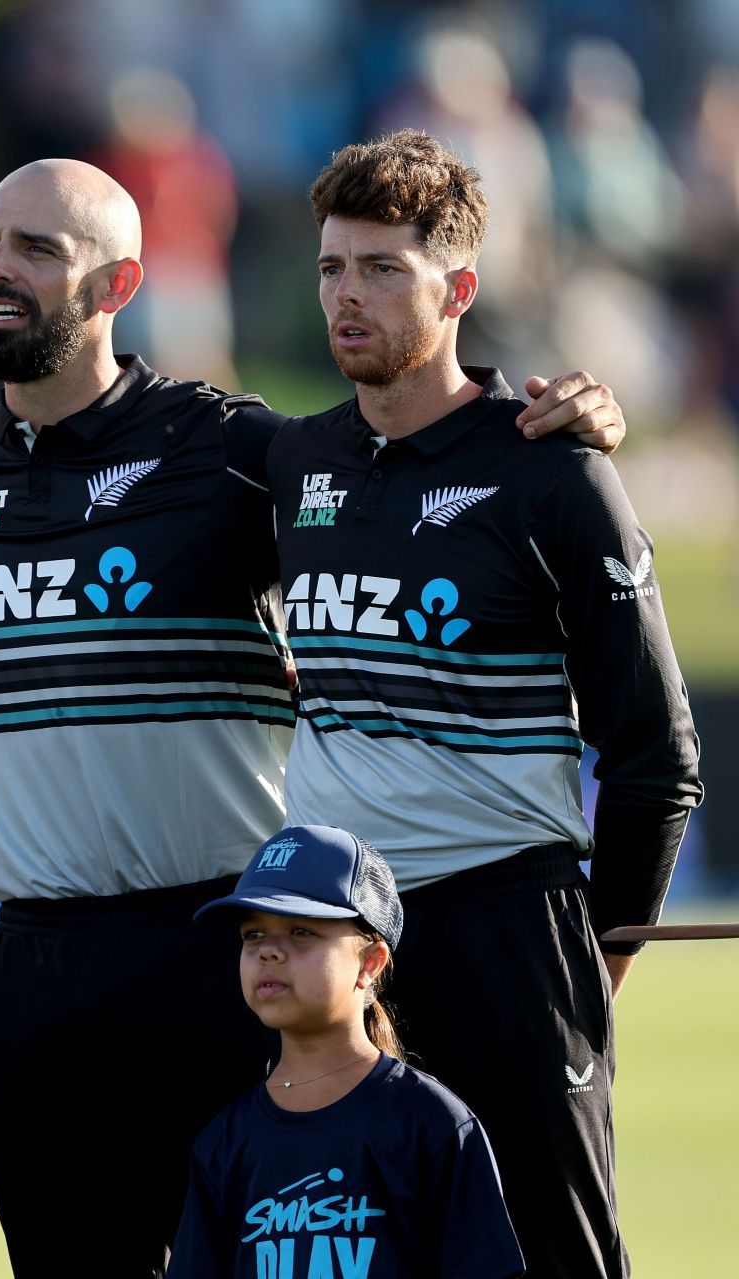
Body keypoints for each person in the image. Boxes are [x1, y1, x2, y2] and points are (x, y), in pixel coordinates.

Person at [0, 157, 631, 1277]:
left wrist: (562, 414)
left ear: (119, 286)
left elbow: (398, 472)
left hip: (215, 946)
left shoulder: (239, 449)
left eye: (38, 250)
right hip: (33, 968)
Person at [268, 129, 700, 1279]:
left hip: (513, 930)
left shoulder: (555, 471)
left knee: (549, 1257)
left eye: (381, 268)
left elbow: (658, 754)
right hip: (344, 939)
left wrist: (592, 963)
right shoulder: (290, 463)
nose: (346, 296)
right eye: (330, 268)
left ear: (457, 288)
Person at [171, 824, 524, 1278]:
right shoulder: (223, 1143)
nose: (269, 951)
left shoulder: (431, 1124)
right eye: (252, 934)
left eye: (300, 930)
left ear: (369, 962)